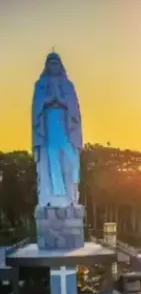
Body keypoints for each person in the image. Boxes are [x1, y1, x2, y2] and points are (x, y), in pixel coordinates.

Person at [32, 52, 83, 208]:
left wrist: (61, 101)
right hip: (48, 124)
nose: (53, 66)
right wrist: (48, 101)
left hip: (66, 124)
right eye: (51, 63)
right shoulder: (40, 84)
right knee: (51, 157)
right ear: (47, 65)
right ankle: (55, 197)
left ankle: (71, 195)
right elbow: (37, 106)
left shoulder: (68, 85)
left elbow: (74, 106)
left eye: (56, 63)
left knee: (70, 158)